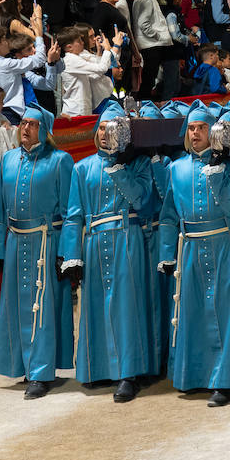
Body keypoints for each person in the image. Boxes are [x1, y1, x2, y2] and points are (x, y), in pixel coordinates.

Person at [59, 107, 154, 402]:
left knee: (127, 306)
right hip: (95, 242)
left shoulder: (137, 165)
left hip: (127, 238)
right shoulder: (81, 168)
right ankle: (97, 368)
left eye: (112, 128)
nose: (105, 134)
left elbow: (144, 202)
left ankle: (128, 373)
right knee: (96, 306)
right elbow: (73, 215)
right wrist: (71, 254)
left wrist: (121, 170)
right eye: (101, 128)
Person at [157, 108, 230, 406]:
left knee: (225, 313)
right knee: (193, 313)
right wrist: (166, 253)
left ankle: (223, 381)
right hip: (191, 249)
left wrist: (217, 173)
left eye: (201, 128)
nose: (195, 133)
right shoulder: (175, 168)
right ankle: (194, 377)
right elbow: (169, 216)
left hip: (226, 244)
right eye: (191, 128)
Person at [0, 104, 76, 400]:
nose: (24, 128)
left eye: (32, 124)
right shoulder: (8, 160)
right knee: (17, 307)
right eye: (22, 123)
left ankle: (41, 372)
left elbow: (68, 212)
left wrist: (65, 252)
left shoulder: (60, 161)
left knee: (44, 308)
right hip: (15, 243)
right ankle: (25, 366)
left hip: (45, 242)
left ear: (45, 130)